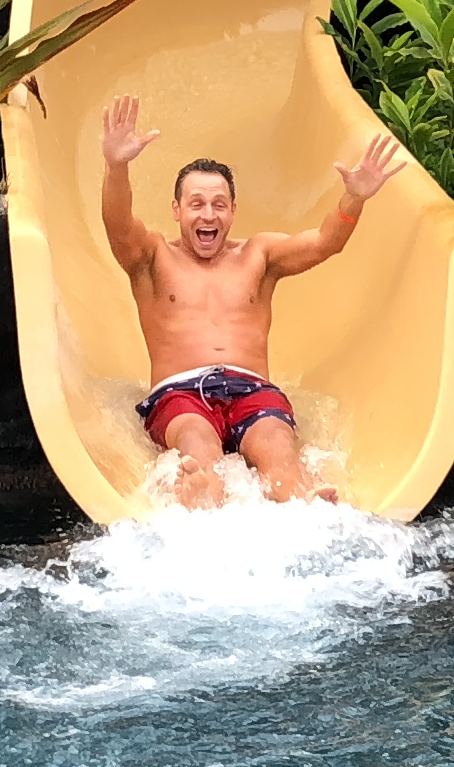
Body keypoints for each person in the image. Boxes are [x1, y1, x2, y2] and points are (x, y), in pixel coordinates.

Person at [99, 92, 400, 509]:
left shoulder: (258, 255)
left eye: (219, 205)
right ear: (176, 210)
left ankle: (302, 503)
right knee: (196, 439)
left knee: (276, 441)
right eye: (197, 204)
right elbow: (117, 225)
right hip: (181, 393)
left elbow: (324, 243)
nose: (209, 215)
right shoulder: (152, 257)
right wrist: (117, 167)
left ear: (233, 211)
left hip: (252, 389)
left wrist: (355, 198)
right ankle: (202, 488)